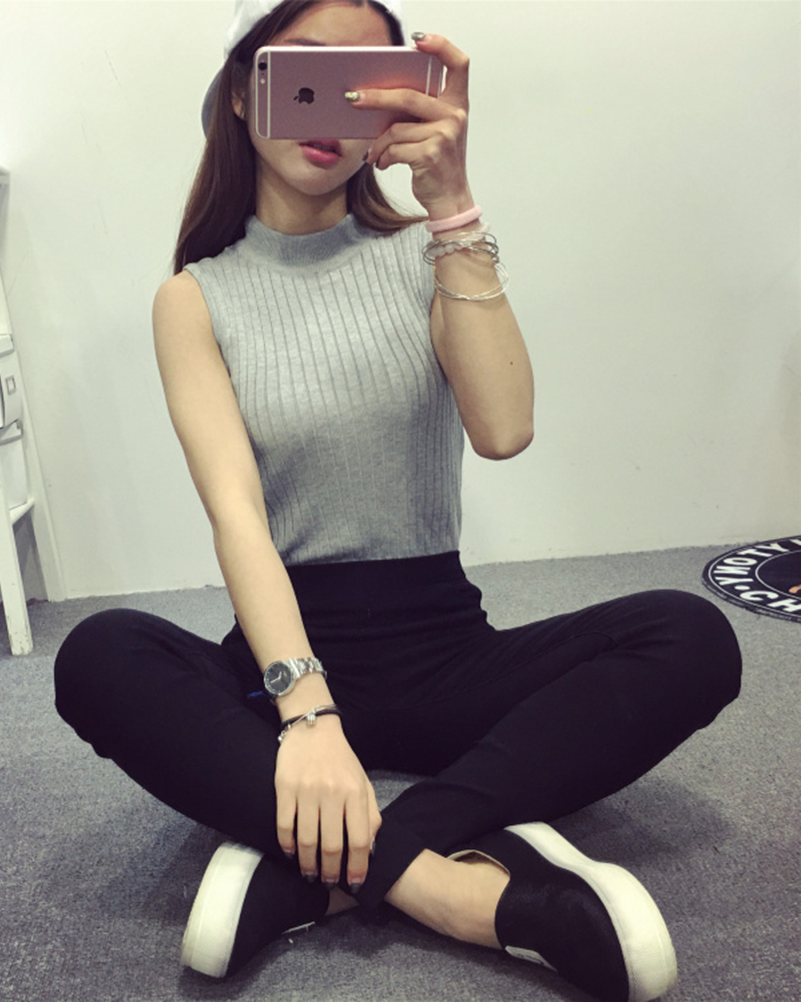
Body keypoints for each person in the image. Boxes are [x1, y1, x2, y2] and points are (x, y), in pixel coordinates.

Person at [54, 2, 742, 999]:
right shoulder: (194, 297)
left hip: (445, 658)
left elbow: (504, 429)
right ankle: (453, 888)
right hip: (281, 669)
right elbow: (236, 514)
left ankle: (323, 864)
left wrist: (453, 204)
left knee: (691, 635)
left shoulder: (429, 252)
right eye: (305, 73)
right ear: (245, 93)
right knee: (99, 655)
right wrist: (305, 713)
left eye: (361, 81)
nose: (331, 107)